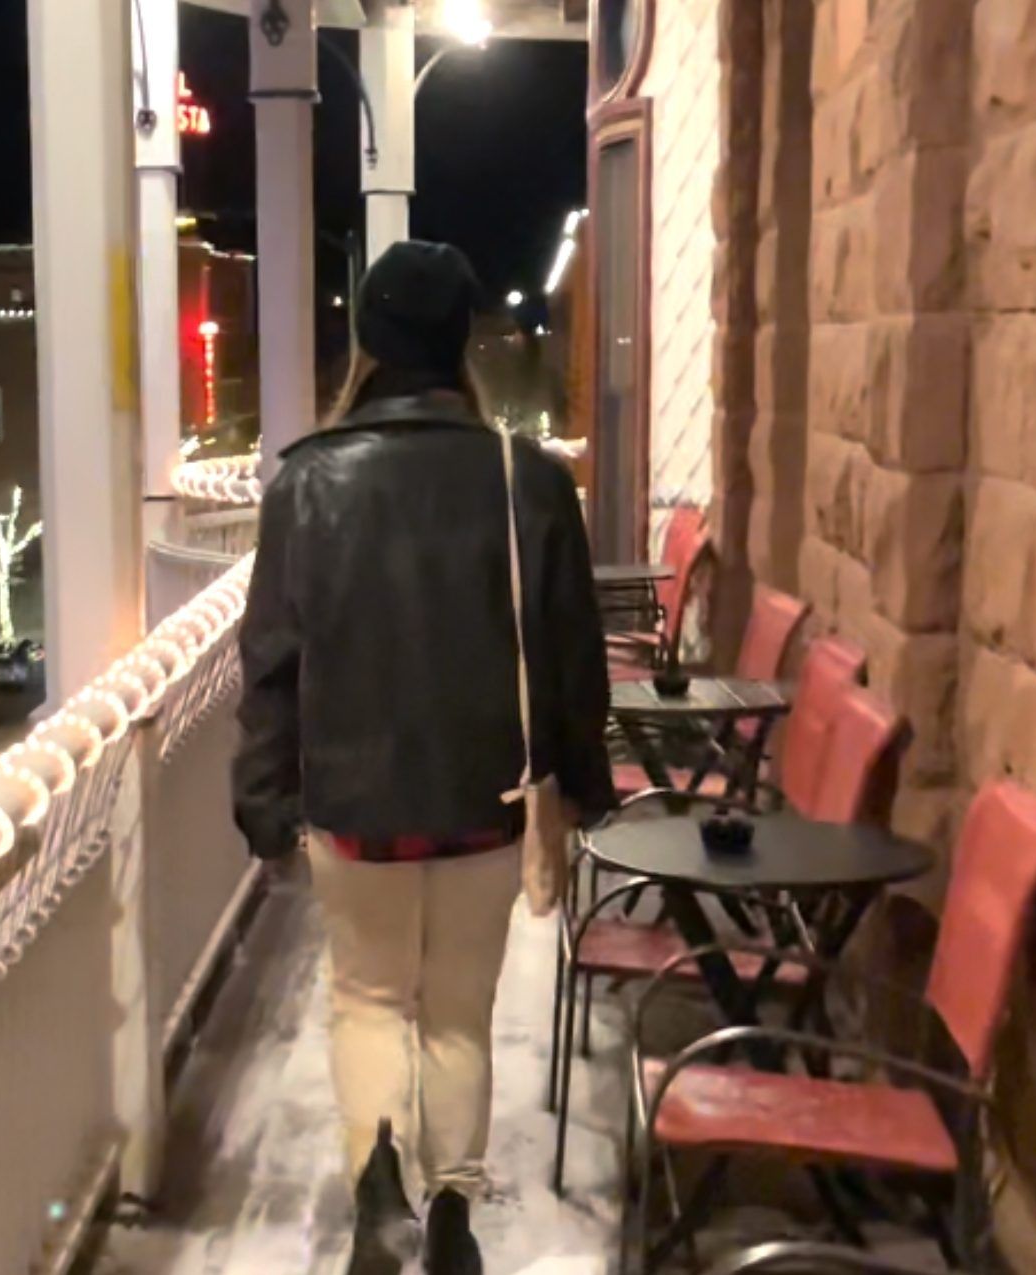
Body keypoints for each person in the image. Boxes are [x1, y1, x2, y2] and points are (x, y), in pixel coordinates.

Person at [232, 241, 616, 1274]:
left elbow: (271, 660)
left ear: (367, 342)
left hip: (351, 806)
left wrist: (264, 802)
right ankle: (452, 1213)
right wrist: (583, 785)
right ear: (459, 343)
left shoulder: (306, 482)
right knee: (457, 1014)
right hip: (482, 801)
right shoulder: (524, 479)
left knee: (364, 1000)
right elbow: (573, 650)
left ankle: (376, 1191)